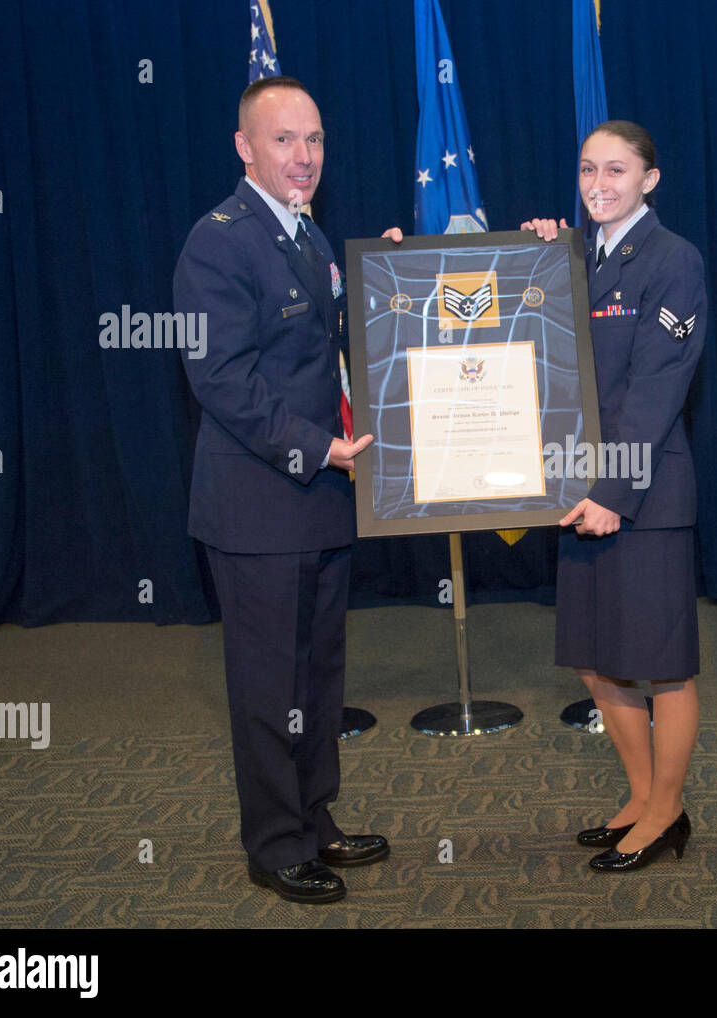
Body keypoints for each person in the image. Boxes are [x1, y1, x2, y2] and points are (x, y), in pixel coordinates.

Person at [174, 76, 401, 904]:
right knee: (270, 687)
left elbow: (327, 351)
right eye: (283, 140)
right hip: (259, 508)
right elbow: (222, 380)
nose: (303, 157)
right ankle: (274, 845)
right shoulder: (219, 241)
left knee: (318, 680)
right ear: (245, 147)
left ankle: (315, 818)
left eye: (313, 140)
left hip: (321, 499)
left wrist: (393, 278)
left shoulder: (305, 237)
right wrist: (319, 448)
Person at [522, 120, 706, 872]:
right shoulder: (574, 256)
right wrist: (527, 248)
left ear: (649, 179)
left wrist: (611, 492)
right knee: (601, 663)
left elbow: (655, 393)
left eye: (618, 171)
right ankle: (639, 797)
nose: (601, 184)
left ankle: (668, 812)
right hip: (582, 494)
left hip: (643, 496)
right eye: (589, 170)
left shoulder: (674, 259)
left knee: (662, 666)